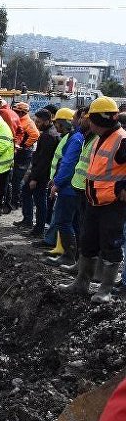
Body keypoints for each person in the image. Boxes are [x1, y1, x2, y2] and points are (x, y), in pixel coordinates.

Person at [64, 97, 126, 303]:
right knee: (88, 242)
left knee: (111, 245)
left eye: (91, 118)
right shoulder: (100, 138)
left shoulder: (121, 139)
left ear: (101, 119)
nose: (88, 122)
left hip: (113, 204)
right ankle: (82, 283)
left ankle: (105, 289)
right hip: (93, 201)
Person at [42, 108, 86, 263]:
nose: (74, 120)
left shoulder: (75, 138)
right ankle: (75, 256)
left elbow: (68, 163)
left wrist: (58, 182)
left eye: (75, 118)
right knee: (73, 222)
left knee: (63, 221)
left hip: (69, 187)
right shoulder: (79, 137)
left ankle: (69, 256)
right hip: (75, 186)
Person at [15, 109, 59, 237]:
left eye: (39, 121)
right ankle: (28, 220)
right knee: (27, 192)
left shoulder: (48, 136)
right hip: (40, 172)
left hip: (41, 174)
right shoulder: (49, 133)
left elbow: (44, 160)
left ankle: (38, 228)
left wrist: (34, 178)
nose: (36, 123)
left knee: (40, 201)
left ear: (47, 120)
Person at [0, 95, 24, 214]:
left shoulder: (0, 114)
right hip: (10, 151)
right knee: (6, 180)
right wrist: (16, 143)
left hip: (2, 151)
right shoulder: (12, 113)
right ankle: (6, 205)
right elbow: (20, 131)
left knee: (0, 181)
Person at [10, 101, 40, 210]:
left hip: (23, 154)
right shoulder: (20, 120)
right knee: (14, 178)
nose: (15, 112)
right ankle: (15, 200)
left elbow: (35, 135)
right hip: (19, 152)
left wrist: (25, 145)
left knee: (17, 179)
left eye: (17, 111)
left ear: (23, 112)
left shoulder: (27, 122)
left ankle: (16, 201)